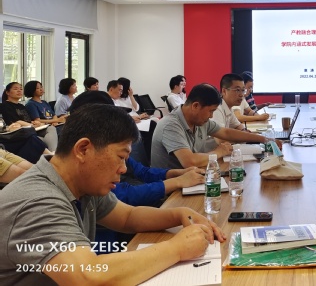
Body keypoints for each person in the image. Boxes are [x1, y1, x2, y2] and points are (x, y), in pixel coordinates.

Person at [0, 103, 225, 285]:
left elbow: (127, 217)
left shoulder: (82, 182)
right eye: (120, 157)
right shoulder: (38, 200)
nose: (124, 169)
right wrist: (176, 249)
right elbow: (88, 277)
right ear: (83, 149)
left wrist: (178, 214)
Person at [69, 90, 206, 207]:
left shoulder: (110, 148)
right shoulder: (88, 168)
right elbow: (125, 195)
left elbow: (142, 172)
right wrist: (177, 182)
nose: (123, 168)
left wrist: (178, 174)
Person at [151, 83, 282, 170]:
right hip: (171, 194)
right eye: (211, 111)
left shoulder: (199, 120)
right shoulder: (171, 125)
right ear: (195, 106)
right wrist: (220, 152)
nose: (211, 116)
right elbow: (190, 162)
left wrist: (263, 139)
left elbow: (226, 133)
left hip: (193, 179)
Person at [1, 82, 59, 151]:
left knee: (51, 128)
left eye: (21, 89)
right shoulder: (5, 105)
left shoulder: (21, 106)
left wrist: (35, 123)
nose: (19, 91)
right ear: (7, 92)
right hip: (20, 132)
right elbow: (15, 121)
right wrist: (31, 125)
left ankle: (53, 153)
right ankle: (53, 153)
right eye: (15, 89)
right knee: (42, 140)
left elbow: (28, 120)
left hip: (31, 129)